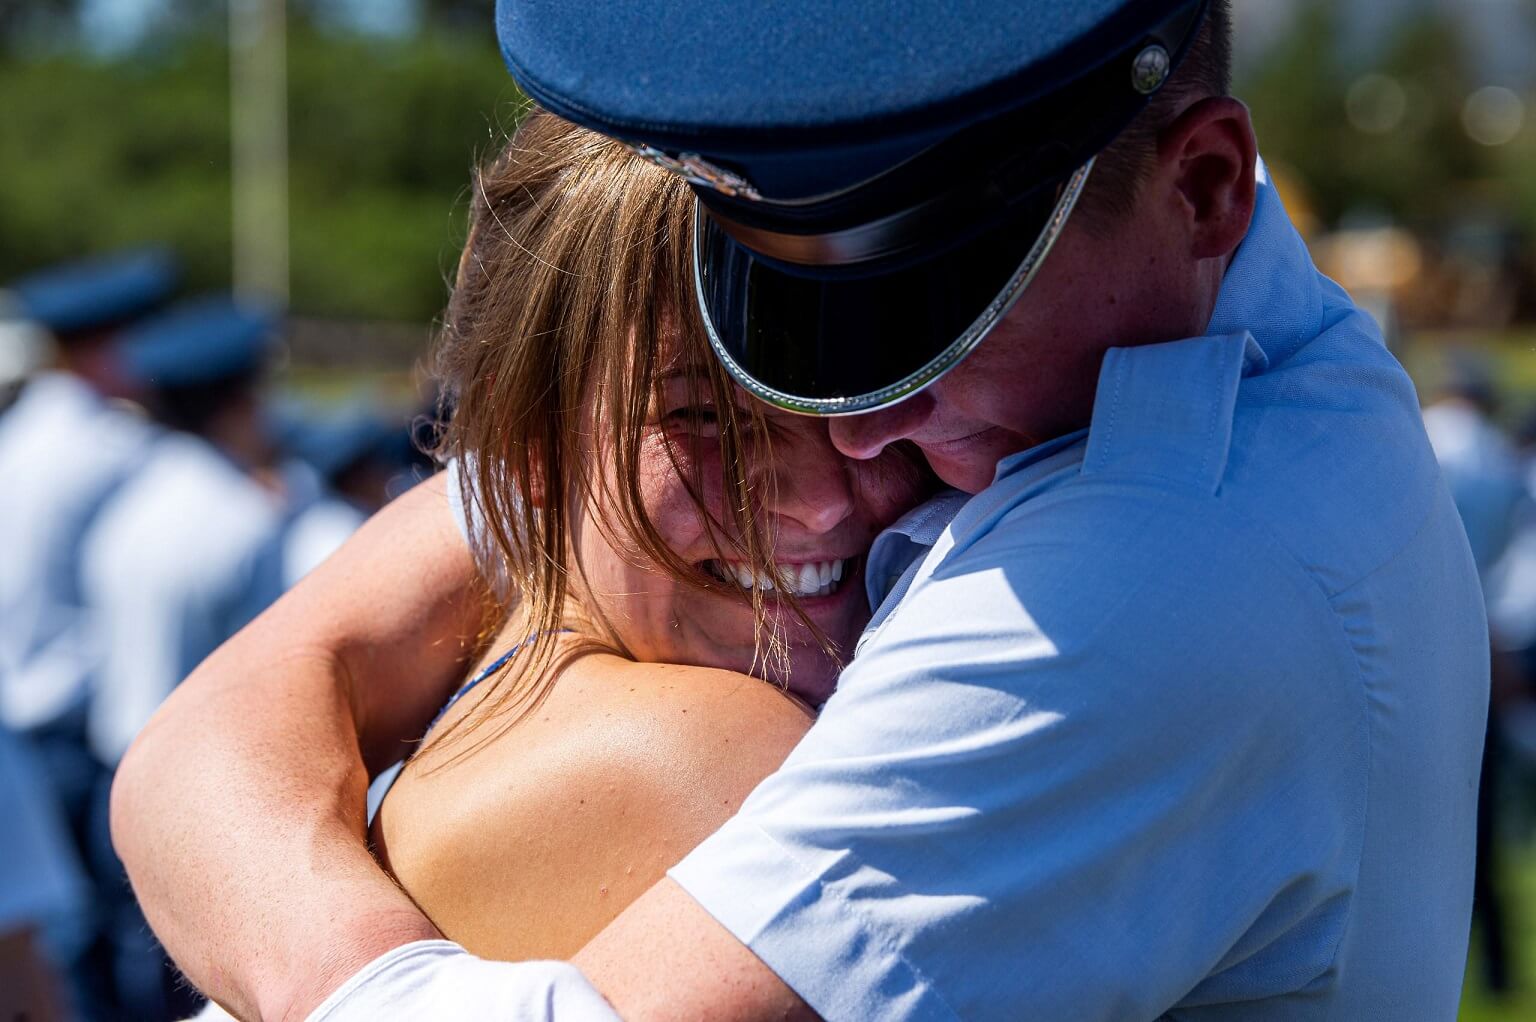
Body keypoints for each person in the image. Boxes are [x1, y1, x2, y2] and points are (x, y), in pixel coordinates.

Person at [115, 2, 1489, 1019]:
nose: (858, 426)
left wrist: (314, 969)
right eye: (800, 329)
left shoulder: (1157, 576)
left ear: (1200, 184)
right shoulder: (1213, 340)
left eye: (932, 311)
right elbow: (233, 717)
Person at [80, 296, 285, 1021]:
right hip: (199, 790)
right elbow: (270, 678)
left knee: (126, 974)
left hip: (112, 766)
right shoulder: (240, 520)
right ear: (239, 403)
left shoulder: (129, 497)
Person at [0, 246, 178, 1019]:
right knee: (100, 943)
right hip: (68, 732)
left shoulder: (24, 432)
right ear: (102, 348)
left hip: (23, 719)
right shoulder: (109, 450)